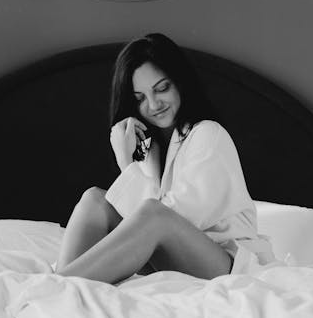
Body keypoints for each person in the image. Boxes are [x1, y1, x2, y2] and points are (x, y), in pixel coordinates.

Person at [56, 33, 274, 283]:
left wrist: (125, 164)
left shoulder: (209, 134)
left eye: (162, 88)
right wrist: (135, 162)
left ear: (180, 82)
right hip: (173, 256)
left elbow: (169, 219)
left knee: (154, 214)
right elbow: (142, 226)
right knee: (94, 199)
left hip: (228, 265)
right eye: (140, 98)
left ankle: (50, 288)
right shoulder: (151, 149)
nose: (153, 104)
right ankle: (62, 285)